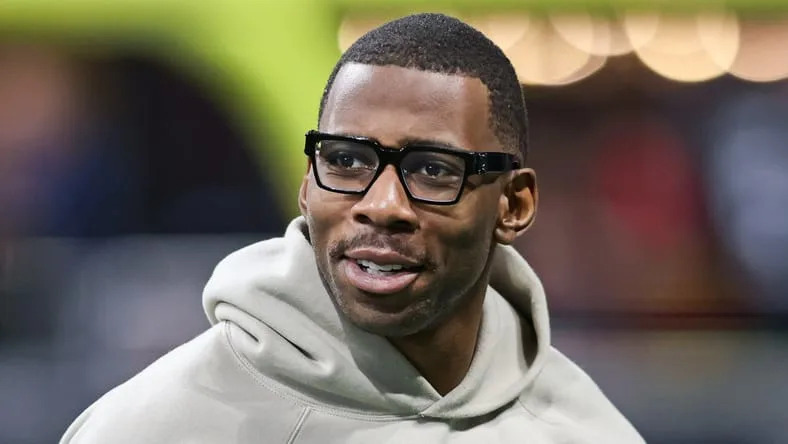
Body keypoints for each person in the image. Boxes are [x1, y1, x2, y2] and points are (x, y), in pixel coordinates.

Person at [61, 13, 644, 443]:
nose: (382, 204)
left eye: (433, 170)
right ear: (307, 183)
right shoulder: (155, 427)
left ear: (513, 205)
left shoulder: (584, 430)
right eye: (346, 161)